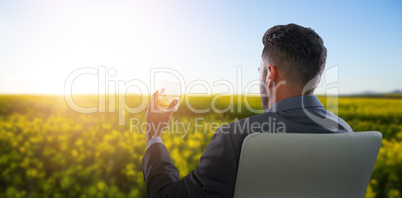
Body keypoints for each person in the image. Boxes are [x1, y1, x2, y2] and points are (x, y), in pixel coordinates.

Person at [141, 23, 353, 197]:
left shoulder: (236, 139)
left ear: (271, 74)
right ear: (316, 81)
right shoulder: (345, 132)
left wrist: (154, 134)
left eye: (260, 70)